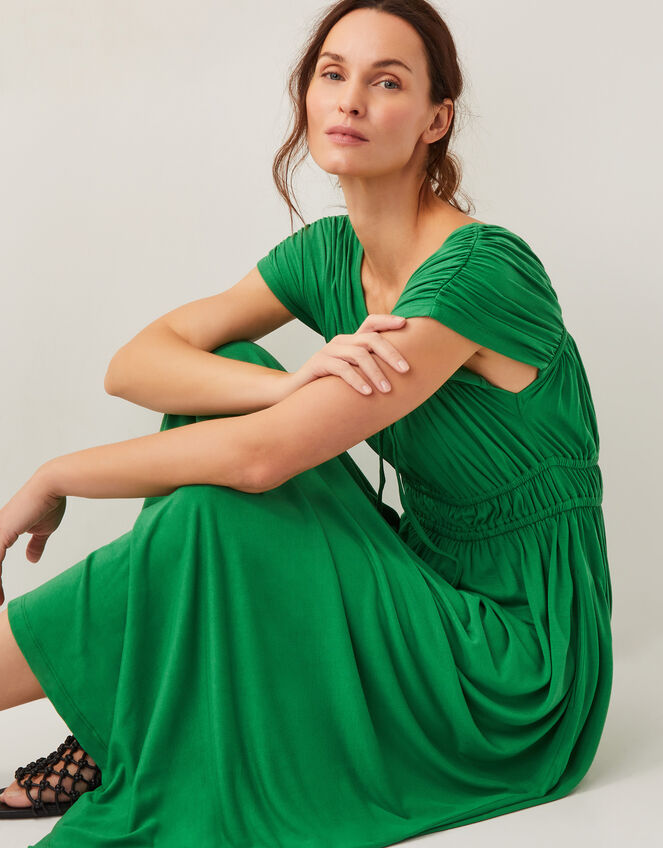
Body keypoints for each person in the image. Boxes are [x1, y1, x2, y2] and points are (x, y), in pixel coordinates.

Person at [0, 0, 613, 844]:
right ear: (307, 96)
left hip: (513, 665)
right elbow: (136, 362)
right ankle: (130, 710)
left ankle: (110, 708)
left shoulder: (479, 272)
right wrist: (286, 387)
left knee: (217, 506)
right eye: (333, 74)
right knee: (229, 376)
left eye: (386, 82)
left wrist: (53, 475)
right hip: (423, 578)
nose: (350, 99)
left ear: (436, 119)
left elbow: (258, 463)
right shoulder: (327, 255)